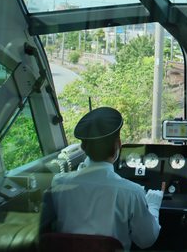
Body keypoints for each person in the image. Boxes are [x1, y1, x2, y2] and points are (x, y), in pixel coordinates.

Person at [48, 107, 163, 250]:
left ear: (83, 147)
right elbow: (146, 240)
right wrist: (153, 205)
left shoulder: (59, 182)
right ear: (118, 144)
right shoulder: (132, 192)